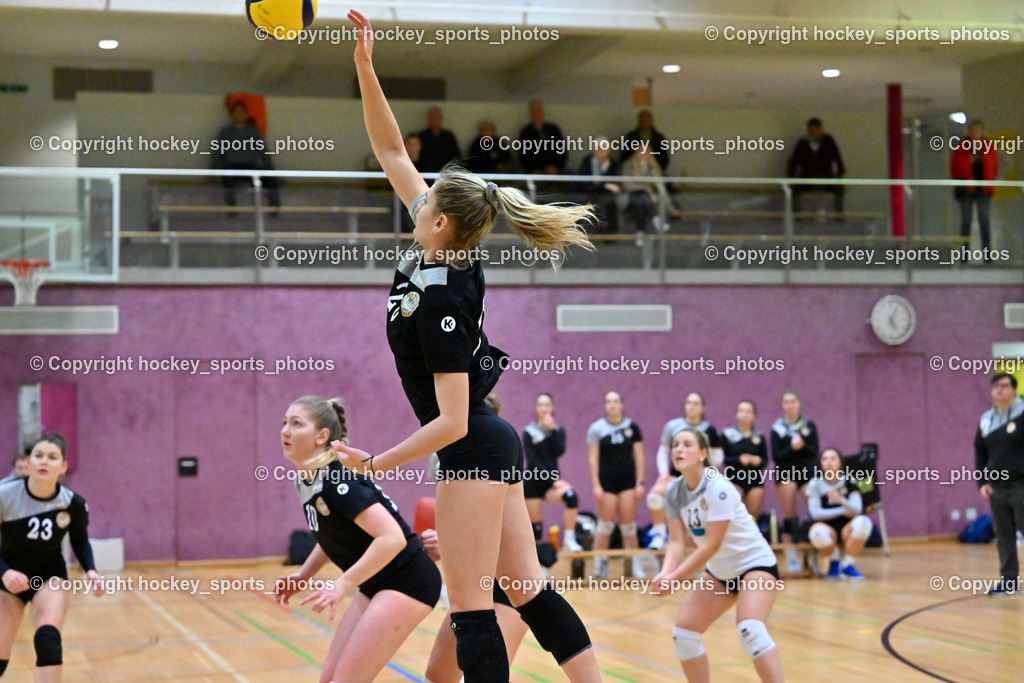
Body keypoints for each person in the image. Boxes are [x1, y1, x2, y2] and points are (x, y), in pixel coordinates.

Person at [334, 12, 600, 683]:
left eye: (422, 205)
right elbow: (394, 151)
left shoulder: (448, 292)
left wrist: (380, 460)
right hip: (488, 438)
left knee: (472, 609)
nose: (412, 204)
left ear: (441, 221)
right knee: (528, 589)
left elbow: (450, 419)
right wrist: (365, 66)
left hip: (473, 441)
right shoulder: (440, 247)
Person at [272, 396, 441, 683]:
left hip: (409, 581)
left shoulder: (338, 480)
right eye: (285, 423)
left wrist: (343, 583)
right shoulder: (306, 479)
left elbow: (392, 538)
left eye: (297, 424)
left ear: (321, 436)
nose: (285, 431)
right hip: (375, 582)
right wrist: (303, 575)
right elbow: (331, 536)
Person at [652, 427, 784, 683]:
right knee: (684, 635)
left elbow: (711, 545)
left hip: (754, 564)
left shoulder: (718, 487)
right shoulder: (673, 491)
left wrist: (676, 577)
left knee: (751, 630)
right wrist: (665, 573)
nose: (679, 449)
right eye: (676, 445)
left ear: (703, 453)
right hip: (721, 572)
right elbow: (677, 542)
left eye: (687, 444)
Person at [0, 433, 104, 682]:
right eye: (38, 456)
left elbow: (80, 540)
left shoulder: (73, 504)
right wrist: (4, 572)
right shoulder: (4, 496)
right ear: (28, 462)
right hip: (8, 575)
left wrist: (90, 569)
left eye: (52, 457)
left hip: (49, 577)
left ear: (63, 466)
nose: (44, 461)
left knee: (48, 637)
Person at [420, 528, 530, 683]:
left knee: (485, 677)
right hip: (473, 581)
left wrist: (454, 546)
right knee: (435, 680)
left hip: (511, 580)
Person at [649, 393, 723, 550]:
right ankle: (660, 535)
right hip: (677, 477)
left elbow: (718, 456)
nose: (692, 406)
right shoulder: (673, 426)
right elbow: (663, 451)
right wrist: (663, 474)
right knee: (655, 496)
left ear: (702, 408)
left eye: (696, 403)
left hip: (700, 480)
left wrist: (705, 474)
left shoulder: (709, 430)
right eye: (689, 402)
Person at [974, 372, 1024, 595]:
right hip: (997, 488)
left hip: (1021, 485)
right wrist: (982, 482)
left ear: (1014, 390)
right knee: (1003, 536)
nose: (999, 390)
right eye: (995, 386)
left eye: (1004, 386)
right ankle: (1009, 582)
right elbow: (979, 451)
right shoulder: (986, 420)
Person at [587, 391, 646, 579]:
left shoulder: (632, 428)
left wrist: (640, 482)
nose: (611, 405)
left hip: (628, 482)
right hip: (607, 483)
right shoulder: (596, 429)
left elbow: (639, 457)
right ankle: (599, 566)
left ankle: (635, 566)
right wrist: (596, 485)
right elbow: (593, 459)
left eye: (615, 401)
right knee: (605, 526)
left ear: (622, 405)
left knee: (629, 527)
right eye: (608, 402)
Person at [524, 393, 582, 552]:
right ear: (536, 408)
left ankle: (569, 540)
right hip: (533, 483)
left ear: (552, 407)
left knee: (571, 497)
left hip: (551, 484)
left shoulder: (558, 430)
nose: (544, 408)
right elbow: (533, 461)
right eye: (540, 405)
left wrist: (553, 431)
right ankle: (541, 567)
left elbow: (559, 451)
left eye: (547, 405)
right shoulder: (529, 431)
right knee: (536, 530)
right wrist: (553, 480)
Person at [770, 391, 819, 573]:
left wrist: (803, 446)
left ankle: (812, 553)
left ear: (799, 404)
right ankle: (791, 557)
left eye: (793, 401)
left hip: (807, 471)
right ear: (782, 406)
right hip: (786, 471)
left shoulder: (808, 425)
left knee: (816, 511)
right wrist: (792, 448)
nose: (789, 405)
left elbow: (814, 450)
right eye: (786, 402)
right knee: (789, 516)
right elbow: (776, 456)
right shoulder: (777, 428)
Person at [805, 448, 872, 580]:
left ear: (840, 462)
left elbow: (857, 509)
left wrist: (840, 500)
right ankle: (834, 560)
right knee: (817, 534)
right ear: (821, 463)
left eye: (833, 458)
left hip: (846, 527)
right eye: (825, 459)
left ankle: (847, 564)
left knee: (864, 522)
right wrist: (842, 510)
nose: (829, 462)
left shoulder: (850, 481)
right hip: (825, 526)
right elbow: (815, 513)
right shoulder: (815, 484)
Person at [213, 101, 280, 212]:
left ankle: (275, 207)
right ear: (232, 114)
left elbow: (263, 151)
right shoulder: (225, 132)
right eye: (236, 112)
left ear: (246, 114)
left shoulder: (253, 132)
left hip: (250, 166)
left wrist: (270, 169)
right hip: (231, 166)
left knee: (269, 177)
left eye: (241, 112)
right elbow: (217, 152)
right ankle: (231, 208)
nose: (239, 114)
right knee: (226, 175)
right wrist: (210, 173)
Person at [951, 119, 998, 257]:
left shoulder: (988, 147)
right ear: (968, 132)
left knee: (984, 220)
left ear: (982, 132)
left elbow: (994, 167)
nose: (974, 133)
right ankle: (964, 254)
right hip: (966, 189)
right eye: (972, 130)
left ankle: (987, 253)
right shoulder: (961, 148)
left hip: (983, 189)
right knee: (966, 221)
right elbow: (955, 168)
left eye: (977, 130)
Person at [786, 117, 845, 217]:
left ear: (821, 129)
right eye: (812, 130)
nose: (814, 132)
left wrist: (837, 177)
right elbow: (793, 162)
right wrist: (791, 178)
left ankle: (839, 217)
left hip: (826, 178)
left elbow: (838, 160)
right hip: (807, 178)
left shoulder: (828, 141)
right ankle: (796, 218)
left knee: (840, 190)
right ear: (808, 130)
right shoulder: (803, 143)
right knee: (794, 191)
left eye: (817, 129)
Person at [721, 401, 768, 517]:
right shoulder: (727, 435)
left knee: (752, 517)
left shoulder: (759, 436)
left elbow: (765, 460)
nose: (745, 414)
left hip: (755, 480)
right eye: (741, 411)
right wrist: (738, 459)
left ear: (754, 415)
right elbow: (722, 458)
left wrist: (758, 460)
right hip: (734, 479)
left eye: (748, 411)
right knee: (733, 515)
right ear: (736, 414)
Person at [621, 148, 671, 245]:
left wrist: (652, 168)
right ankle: (655, 219)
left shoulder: (653, 165)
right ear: (636, 153)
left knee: (641, 203)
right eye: (640, 152)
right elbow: (627, 184)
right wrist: (647, 189)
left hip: (646, 198)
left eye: (646, 152)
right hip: (631, 195)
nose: (643, 154)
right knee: (642, 196)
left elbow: (659, 183)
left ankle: (640, 233)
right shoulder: (629, 164)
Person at [577, 138, 620, 233]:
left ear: (608, 151)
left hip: (606, 195)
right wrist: (604, 181)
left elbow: (616, 186)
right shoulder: (587, 161)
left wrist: (604, 175)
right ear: (594, 150)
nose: (601, 152)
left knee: (608, 203)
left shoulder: (613, 163)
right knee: (597, 202)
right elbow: (585, 184)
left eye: (604, 149)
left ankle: (609, 233)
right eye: (598, 148)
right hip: (588, 192)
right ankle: (600, 229)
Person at [518, 100, 567, 175]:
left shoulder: (553, 130)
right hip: (535, 171)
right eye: (533, 111)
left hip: (556, 169)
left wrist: (557, 167)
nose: (536, 114)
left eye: (538, 110)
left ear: (543, 112)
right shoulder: (525, 133)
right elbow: (524, 156)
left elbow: (562, 150)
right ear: (530, 113)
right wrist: (542, 169)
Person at [417, 107, 462, 174]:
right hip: (426, 173)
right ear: (428, 119)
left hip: (446, 174)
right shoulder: (421, 136)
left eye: (436, 117)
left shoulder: (448, 137)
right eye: (432, 117)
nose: (434, 119)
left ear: (441, 118)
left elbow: (456, 157)